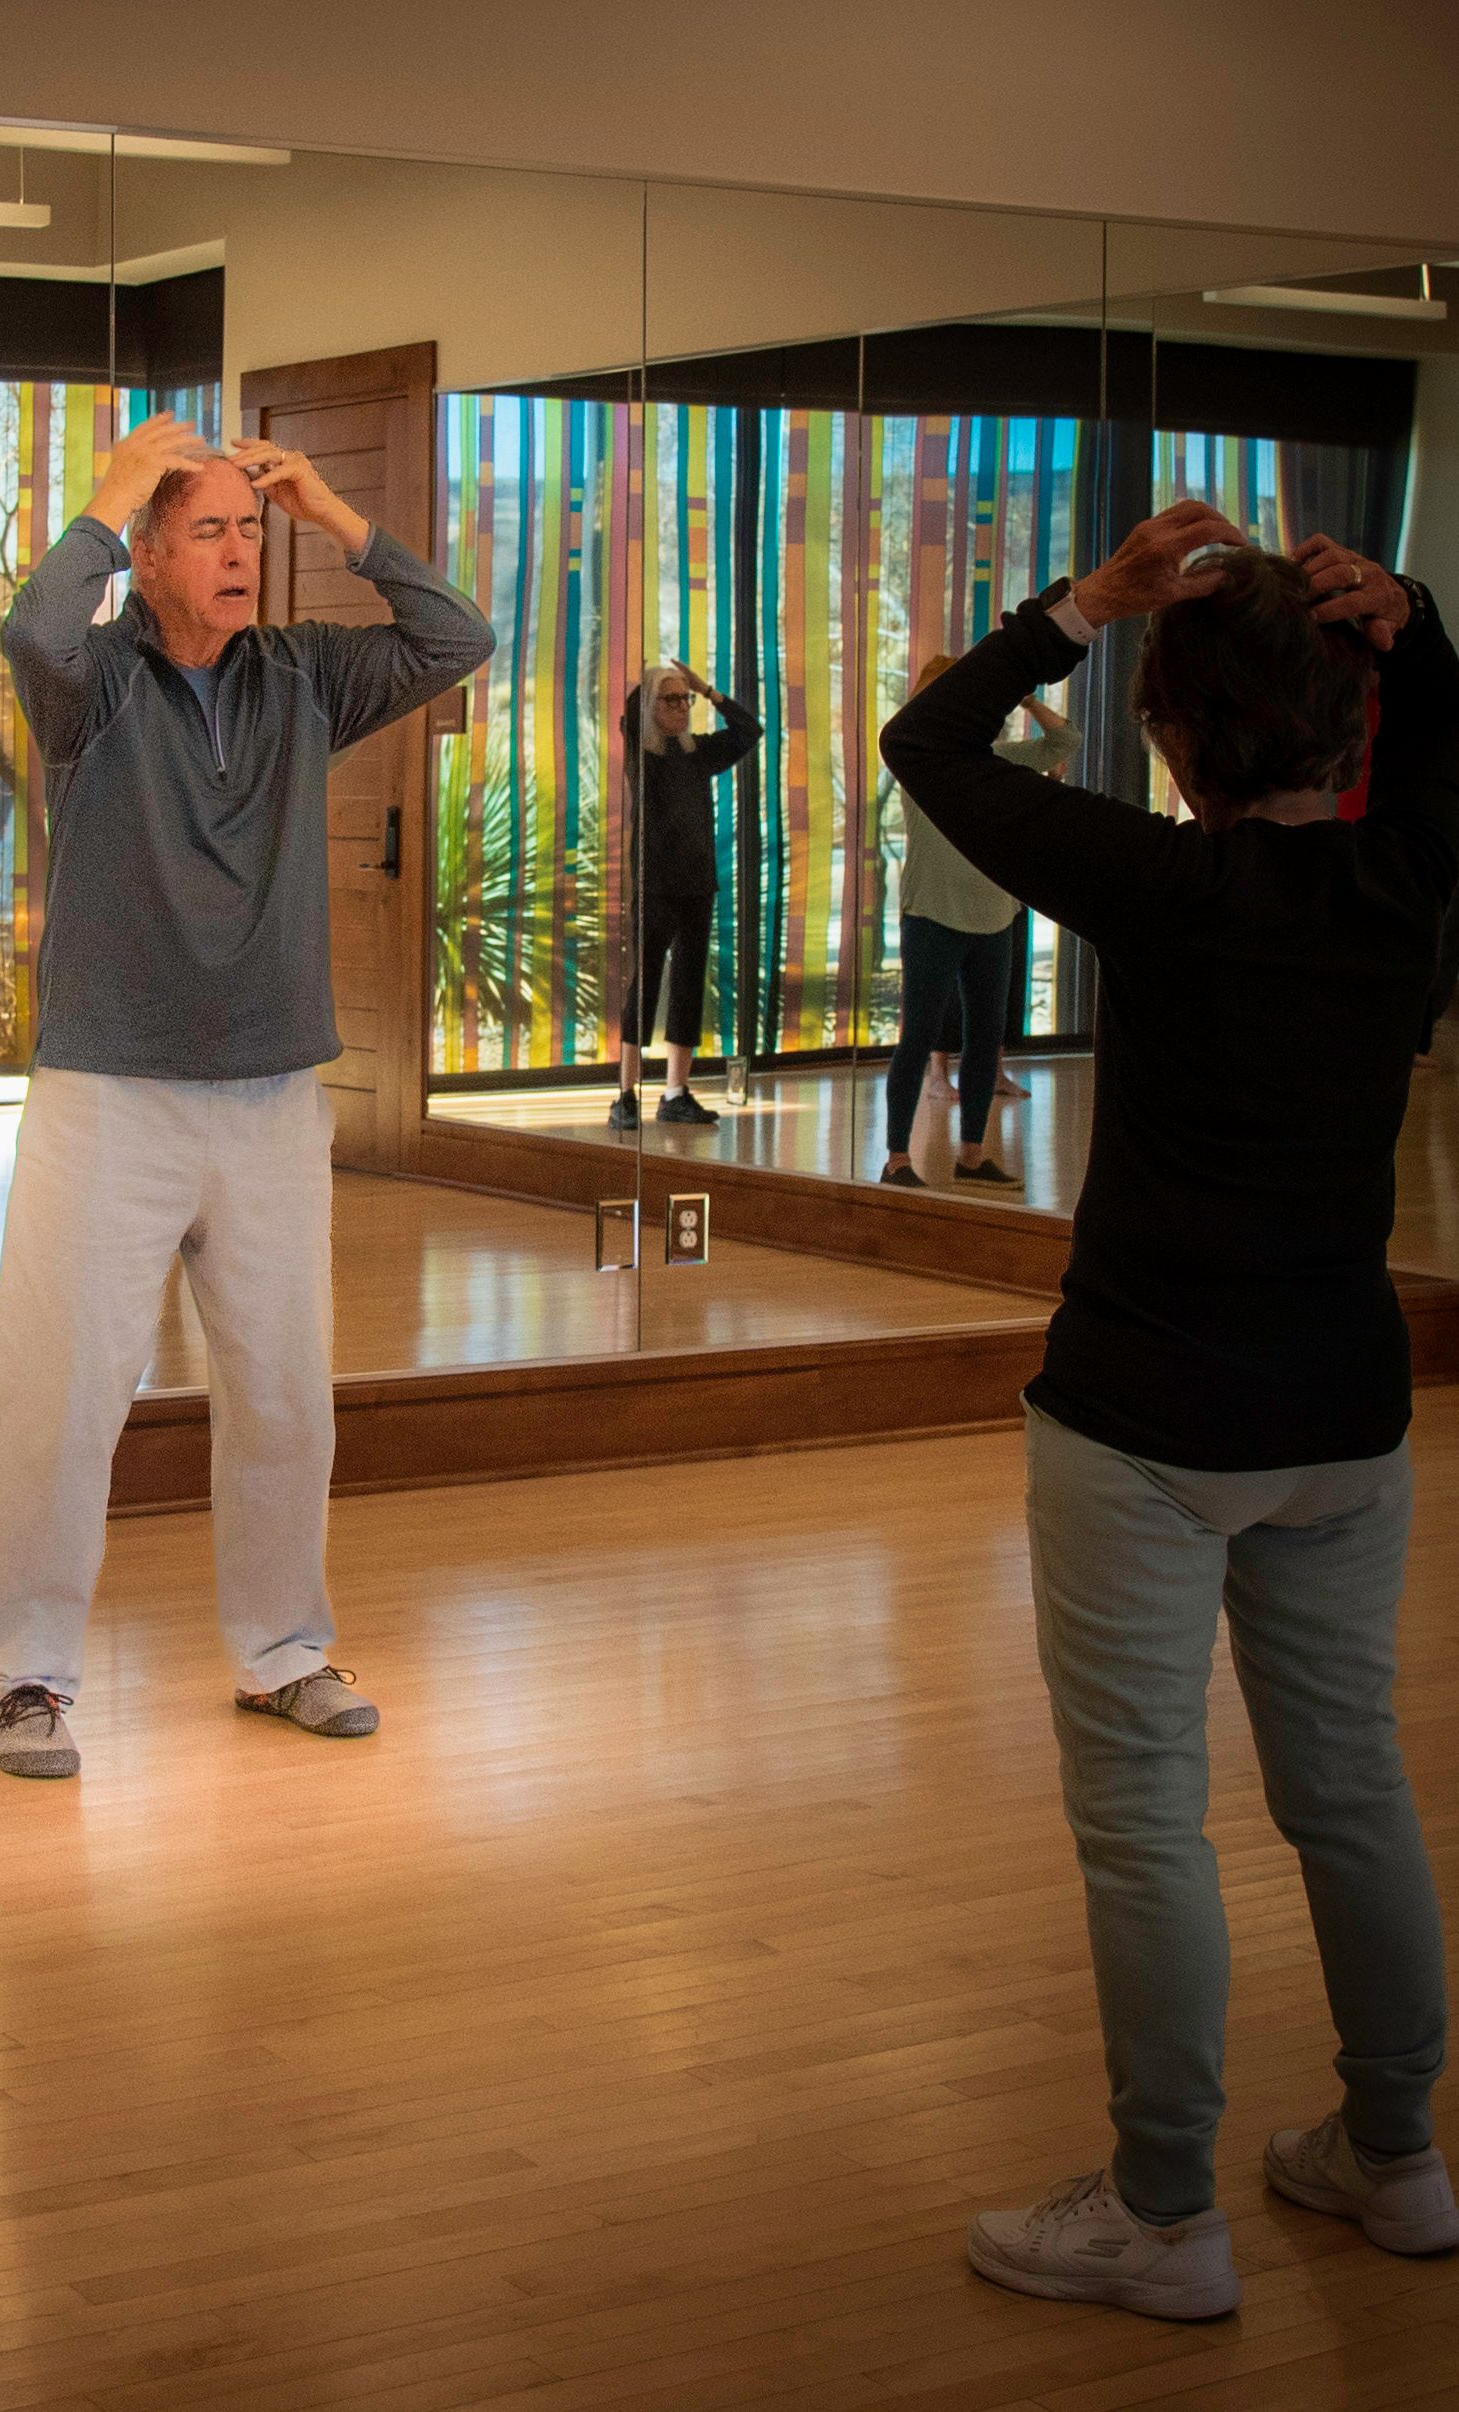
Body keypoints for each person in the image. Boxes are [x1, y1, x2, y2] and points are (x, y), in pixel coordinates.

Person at [883, 501, 1459, 2322]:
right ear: (1355, 729)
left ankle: (1163, 2211)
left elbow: (926, 742)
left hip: (1143, 1418)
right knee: (1351, 1787)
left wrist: (1080, 605)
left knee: (1145, 1821)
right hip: (1341, 1418)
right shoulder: (1405, 885)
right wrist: (1420, 635)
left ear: (1179, 740)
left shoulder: (1158, 880)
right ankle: (1399, 2156)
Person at [0, 416, 491, 1778]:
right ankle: (25, 1680)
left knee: (283, 1397)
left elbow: (454, 639)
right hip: (109, 1095)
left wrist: (330, 510)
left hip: (268, 1096)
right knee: (62, 1400)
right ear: (141, 554)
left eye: (248, 531)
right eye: (205, 529)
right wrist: (110, 486)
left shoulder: (305, 676)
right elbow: (29, 630)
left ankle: (282, 1654)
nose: (238, 552)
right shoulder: (90, 685)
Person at [879, 664, 1078, 1188]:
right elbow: (904, 727)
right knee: (917, 1036)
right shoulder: (918, 760)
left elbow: (1067, 739)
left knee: (985, 1037)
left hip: (995, 915)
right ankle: (898, 1158)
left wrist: (1026, 697)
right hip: (932, 914)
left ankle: (972, 1155)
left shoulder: (1000, 761)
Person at [611, 660, 759, 1130]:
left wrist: (707, 689)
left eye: (684, 699)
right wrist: (655, 678)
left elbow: (749, 730)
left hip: (698, 884)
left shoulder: (697, 753)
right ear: (652, 706)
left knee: (689, 986)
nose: (680, 707)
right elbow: (629, 713)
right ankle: (626, 1095)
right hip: (655, 885)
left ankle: (676, 1092)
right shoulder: (641, 750)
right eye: (670, 699)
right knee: (645, 983)